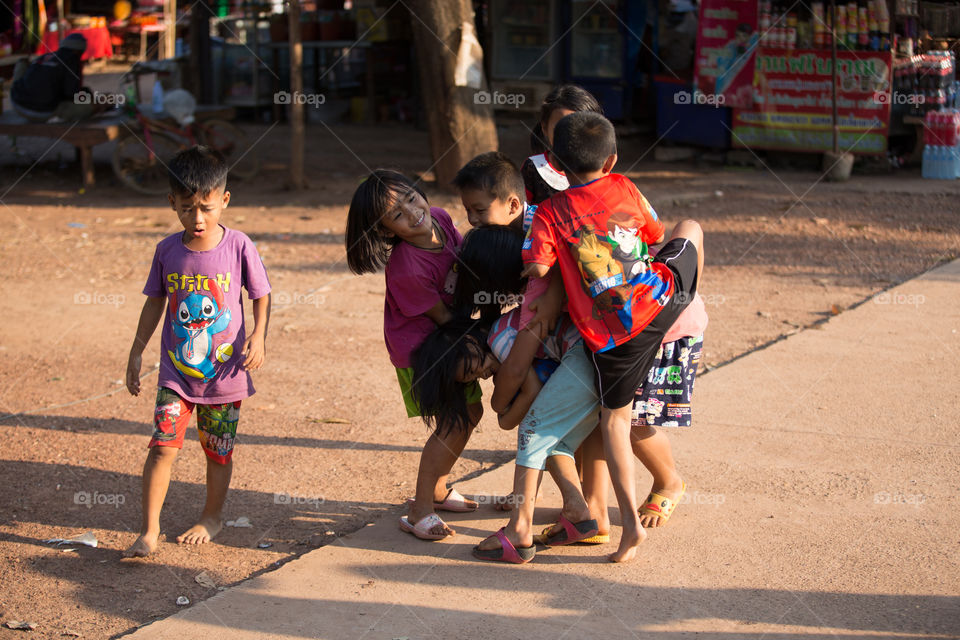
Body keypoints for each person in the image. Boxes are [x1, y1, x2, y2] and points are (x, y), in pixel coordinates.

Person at [522, 112, 704, 563]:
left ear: (556, 167)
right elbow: (655, 234)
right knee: (691, 229)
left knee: (615, 425)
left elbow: (538, 270)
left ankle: (629, 528)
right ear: (613, 158)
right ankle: (694, 302)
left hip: (613, 337)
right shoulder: (624, 186)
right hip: (662, 300)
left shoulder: (548, 212)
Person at [123, 146, 272, 558]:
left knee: (218, 451)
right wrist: (137, 352)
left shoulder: (240, 246)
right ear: (172, 203)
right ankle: (149, 530)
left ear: (224, 200)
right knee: (162, 446)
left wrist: (259, 336)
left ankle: (212, 516)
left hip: (226, 376)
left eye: (206, 207)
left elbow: (261, 294)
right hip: (175, 372)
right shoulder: (167, 250)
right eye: (187, 208)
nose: (198, 218)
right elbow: (155, 301)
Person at [345, 169, 482, 541]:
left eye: (409, 197)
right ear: (388, 231)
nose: (412, 211)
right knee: (454, 420)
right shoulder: (406, 267)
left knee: (470, 412)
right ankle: (420, 508)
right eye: (396, 214)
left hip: (449, 335)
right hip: (421, 349)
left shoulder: (439, 217)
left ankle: (437, 490)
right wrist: (488, 342)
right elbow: (444, 318)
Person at [520, 84, 603, 206]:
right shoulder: (533, 168)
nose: (571, 134)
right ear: (545, 127)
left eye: (580, 127)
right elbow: (520, 214)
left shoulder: (600, 169)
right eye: (562, 126)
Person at [10, 33, 99, 122]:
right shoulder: (72, 60)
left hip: (17, 104)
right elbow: (70, 94)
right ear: (79, 51)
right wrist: (89, 99)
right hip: (39, 112)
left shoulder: (45, 57)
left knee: (22, 63)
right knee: (94, 106)